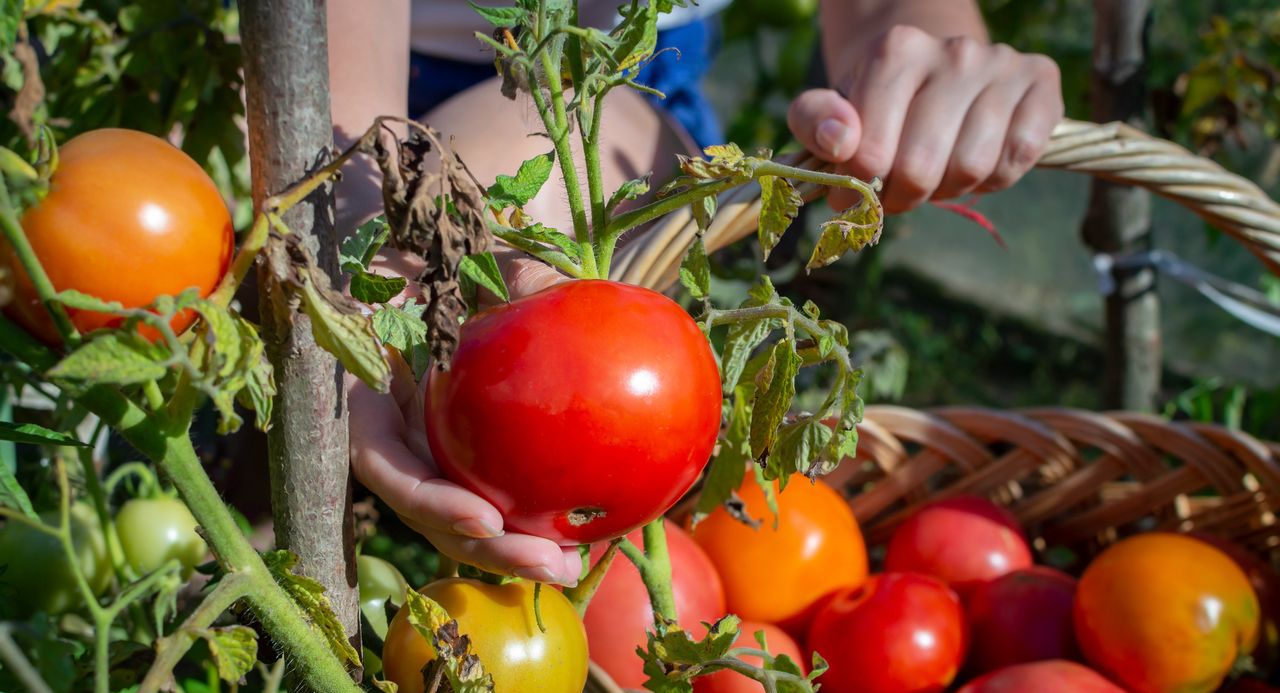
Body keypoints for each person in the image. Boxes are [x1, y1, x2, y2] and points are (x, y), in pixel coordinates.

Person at [329, 0, 1064, 587]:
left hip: (635, 85)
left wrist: (927, 49)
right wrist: (363, 224)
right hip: (352, 73)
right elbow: (324, 72)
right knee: (376, 361)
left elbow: (892, 13)